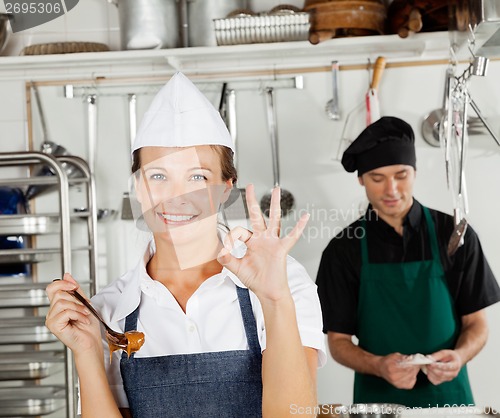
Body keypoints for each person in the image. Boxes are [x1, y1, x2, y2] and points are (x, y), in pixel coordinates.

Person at [45, 72, 326, 418]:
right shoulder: (110, 312)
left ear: (226, 188)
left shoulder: (284, 282)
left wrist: (274, 300)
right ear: (138, 188)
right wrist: (87, 351)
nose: (177, 197)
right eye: (159, 176)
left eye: (197, 177)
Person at [316, 116, 500, 408]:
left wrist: (460, 356)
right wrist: (379, 366)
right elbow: (337, 342)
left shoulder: (454, 235)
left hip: (449, 402)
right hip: (378, 405)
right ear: (361, 179)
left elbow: (477, 323)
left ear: (414, 172)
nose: (391, 190)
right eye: (377, 178)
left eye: (401, 175)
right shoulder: (342, 250)